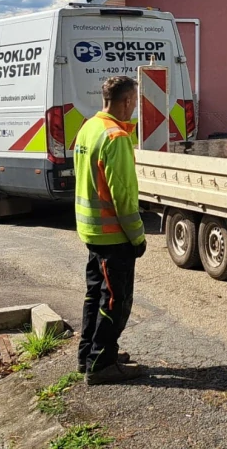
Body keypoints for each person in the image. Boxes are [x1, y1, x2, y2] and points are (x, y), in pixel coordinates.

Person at [74, 76, 148, 385]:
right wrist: (138, 237)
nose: (135, 106)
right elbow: (123, 198)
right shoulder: (116, 138)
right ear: (127, 101)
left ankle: (88, 355)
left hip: (91, 231)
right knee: (116, 301)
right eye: (135, 101)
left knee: (95, 296)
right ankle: (101, 365)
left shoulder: (89, 128)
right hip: (114, 236)